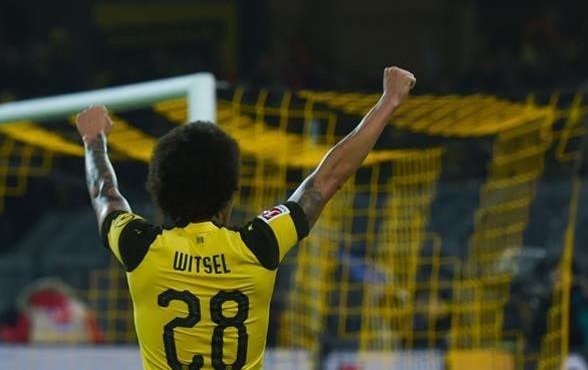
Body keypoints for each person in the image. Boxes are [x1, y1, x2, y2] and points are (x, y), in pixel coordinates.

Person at [78, 66, 416, 370]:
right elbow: (329, 177)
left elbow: (104, 193)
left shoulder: (140, 246)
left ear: (161, 193)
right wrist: (389, 101)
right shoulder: (259, 244)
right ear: (228, 195)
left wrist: (94, 139)